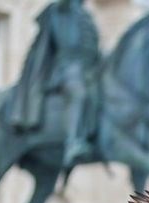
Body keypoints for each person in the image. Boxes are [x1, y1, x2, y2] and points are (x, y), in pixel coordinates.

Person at [8, 0, 100, 168]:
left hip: (89, 68)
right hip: (65, 67)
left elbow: (94, 46)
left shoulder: (85, 15)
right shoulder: (62, 9)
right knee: (77, 92)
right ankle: (73, 142)